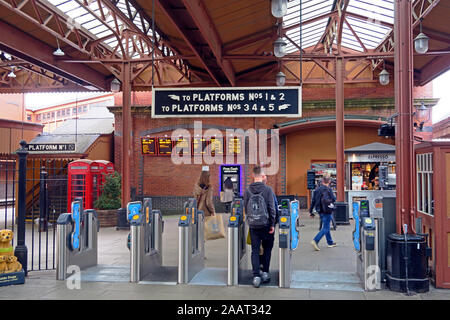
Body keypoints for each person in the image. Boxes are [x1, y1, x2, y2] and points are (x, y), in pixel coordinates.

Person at [244, 165, 276, 288]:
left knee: (255, 251)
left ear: (253, 176)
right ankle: (266, 273)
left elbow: (246, 208)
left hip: (253, 225)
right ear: (263, 176)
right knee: (267, 249)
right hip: (266, 225)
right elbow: (272, 209)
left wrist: (251, 221)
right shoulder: (268, 190)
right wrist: (272, 224)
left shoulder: (247, 190)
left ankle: (256, 275)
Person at [310, 175, 337, 251]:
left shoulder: (317, 190)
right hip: (327, 210)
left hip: (320, 210)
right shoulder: (329, 189)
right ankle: (315, 240)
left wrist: (311, 211)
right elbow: (334, 199)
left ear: (322, 181)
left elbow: (313, 201)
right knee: (326, 227)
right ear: (329, 182)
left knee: (326, 225)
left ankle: (330, 242)